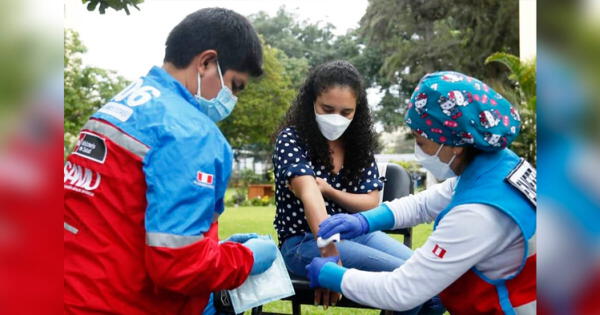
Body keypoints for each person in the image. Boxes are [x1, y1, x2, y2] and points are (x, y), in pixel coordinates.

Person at [64, 8, 277, 314]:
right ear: (206, 62)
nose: (233, 99)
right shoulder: (191, 132)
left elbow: (121, 217)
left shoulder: (119, 106)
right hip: (124, 302)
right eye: (234, 85)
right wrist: (245, 259)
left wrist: (214, 247)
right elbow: (178, 265)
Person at [306, 71, 536, 314]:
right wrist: (364, 220)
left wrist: (331, 275)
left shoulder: (479, 214)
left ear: (454, 144)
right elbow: (425, 204)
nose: (419, 149)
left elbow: (401, 291)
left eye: (421, 141)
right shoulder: (500, 168)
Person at [272, 60, 425, 311]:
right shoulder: (292, 139)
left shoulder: (358, 145)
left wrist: (331, 190)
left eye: (346, 113)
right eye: (327, 108)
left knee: (430, 276)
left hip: (358, 234)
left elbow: (370, 201)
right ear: (311, 102)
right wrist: (329, 254)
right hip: (304, 242)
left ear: (358, 110)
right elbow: (310, 194)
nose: (336, 118)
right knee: (412, 282)